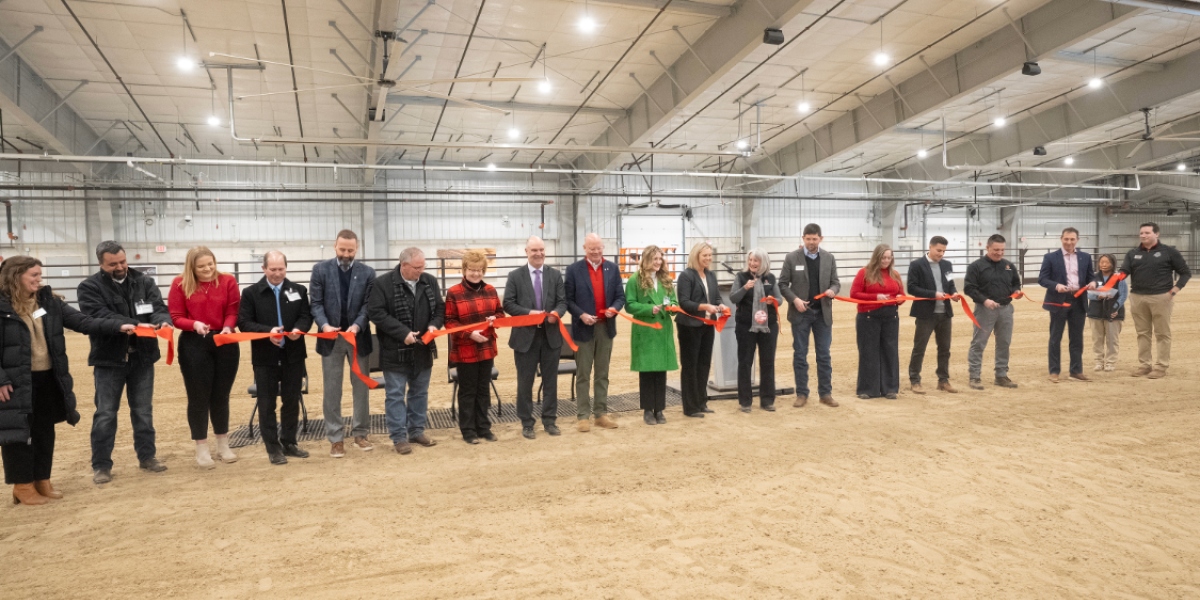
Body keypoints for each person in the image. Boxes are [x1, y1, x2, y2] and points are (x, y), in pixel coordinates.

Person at [0, 257, 135, 505]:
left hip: (48, 377)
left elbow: (84, 322)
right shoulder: (2, 305)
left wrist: (119, 325)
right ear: (16, 276)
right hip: (15, 381)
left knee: (44, 430)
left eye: (40, 275)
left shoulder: (49, 302)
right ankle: (23, 485)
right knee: (19, 434)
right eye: (34, 275)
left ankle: (42, 480)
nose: (39, 279)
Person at [77, 241, 171, 484]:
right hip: (109, 360)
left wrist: (163, 321)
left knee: (143, 411)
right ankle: (101, 465)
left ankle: (147, 457)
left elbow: (158, 308)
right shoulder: (89, 287)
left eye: (123, 261)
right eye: (113, 264)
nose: (120, 267)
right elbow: (98, 315)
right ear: (100, 263)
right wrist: (136, 324)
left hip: (143, 357)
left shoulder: (144, 282)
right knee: (106, 413)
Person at [237, 251, 313, 465]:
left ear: (286, 268)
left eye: (281, 269)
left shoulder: (298, 290)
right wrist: (267, 331)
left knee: (291, 400)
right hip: (265, 356)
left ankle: (289, 442)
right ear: (264, 269)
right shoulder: (251, 293)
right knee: (266, 403)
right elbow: (244, 322)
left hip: (293, 355)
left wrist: (299, 328)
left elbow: (306, 316)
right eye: (273, 270)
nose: (277, 274)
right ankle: (273, 448)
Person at [169, 246, 241, 468]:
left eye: (211, 264)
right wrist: (195, 324)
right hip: (194, 343)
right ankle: (201, 447)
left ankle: (223, 444)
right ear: (192, 267)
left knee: (221, 395)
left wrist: (228, 327)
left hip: (225, 341)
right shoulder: (179, 284)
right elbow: (176, 317)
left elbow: (233, 311)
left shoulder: (228, 281)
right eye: (201, 266)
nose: (208, 269)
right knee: (198, 397)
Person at [367, 247, 443, 455]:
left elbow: (439, 308)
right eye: (417, 268)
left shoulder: (429, 281)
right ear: (404, 265)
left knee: (420, 392)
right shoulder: (383, 284)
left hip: (423, 349)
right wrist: (403, 333)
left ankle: (417, 431)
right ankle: (399, 437)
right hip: (395, 351)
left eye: (423, 267)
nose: (421, 271)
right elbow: (376, 313)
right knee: (395, 395)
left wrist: (433, 326)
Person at [309, 229, 376, 458]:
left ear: (357, 248)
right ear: (334, 246)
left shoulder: (368, 273)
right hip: (331, 338)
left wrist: (357, 326)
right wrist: (325, 325)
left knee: (361, 388)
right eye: (342, 249)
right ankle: (336, 438)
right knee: (332, 390)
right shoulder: (320, 270)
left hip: (358, 338)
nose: (346, 254)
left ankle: (360, 433)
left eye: (350, 250)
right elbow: (316, 303)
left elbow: (368, 305)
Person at [502, 236, 566, 440]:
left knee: (551, 382)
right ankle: (527, 422)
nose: (538, 253)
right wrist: (529, 313)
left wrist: (556, 313)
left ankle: (550, 420)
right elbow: (508, 304)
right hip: (525, 338)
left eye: (541, 249)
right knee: (525, 382)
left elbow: (562, 302)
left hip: (550, 337)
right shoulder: (515, 276)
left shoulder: (555, 275)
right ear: (526, 252)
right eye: (534, 250)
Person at [564, 233, 625, 432]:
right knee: (583, 374)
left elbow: (620, 297)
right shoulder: (574, 270)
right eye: (591, 248)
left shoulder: (613, 269)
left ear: (602, 247)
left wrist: (613, 309)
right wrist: (581, 315)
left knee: (602, 373)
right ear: (585, 248)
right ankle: (583, 416)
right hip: (583, 328)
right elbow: (568, 300)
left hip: (605, 328)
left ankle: (601, 414)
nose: (596, 252)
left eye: (598, 248)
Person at [778, 223, 841, 408]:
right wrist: (795, 300)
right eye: (808, 239)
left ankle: (825, 393)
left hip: (823, 314)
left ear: (821, 238)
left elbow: (836, 282)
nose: (811, 242)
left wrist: (832, 290)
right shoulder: (791, 258)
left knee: (824, 355)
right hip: (801, 314)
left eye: (815, 239)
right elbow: (782, 284)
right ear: (803, 238)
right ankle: (802, 394)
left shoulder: (829, 258)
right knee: (800, 354)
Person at [445, 250, 505, 444]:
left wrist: (494, 319)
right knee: (468, 390)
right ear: (464, 269)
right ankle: (468, 430)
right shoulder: (454, 292)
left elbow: (500, 315)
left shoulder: (491, 290)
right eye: (472, 269)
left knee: (483, 389)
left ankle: (484, 427)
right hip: (465, 349)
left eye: (479, 270)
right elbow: (450, 322)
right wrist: (469, 334)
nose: (476, 274)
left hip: (486, 348)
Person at [1119, 222, 1191, 379]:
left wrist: (1174, 290)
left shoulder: (1169, 252)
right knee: (1142, 333)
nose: (1143, 235)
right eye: (1141, 233)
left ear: (1156, 234)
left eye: (1147, 233)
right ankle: (1144, 365)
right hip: (1137, 297)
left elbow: (1185, 273)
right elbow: (1124, 271)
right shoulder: (1132, 253)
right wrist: (1112, 280)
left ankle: (1161, 366)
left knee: (1162, 333)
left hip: (1161, 297)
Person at [624, 245, 679, 424]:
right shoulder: (635, 280)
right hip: (645, 330)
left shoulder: (666, 280)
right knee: (647, 371)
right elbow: (630, 305)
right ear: (646, 259)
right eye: (654, 259)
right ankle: (648, 410)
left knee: (660, 370)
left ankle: (660, 409)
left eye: (660, 259)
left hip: (662, 329)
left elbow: (673, 300)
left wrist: (672, 306)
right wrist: (650, 308)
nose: (658, 262)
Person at [964, 234, 1022, 390]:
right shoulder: (976, 266)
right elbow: (969, 288)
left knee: (1004, 343)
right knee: (979, 343)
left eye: (1002, 250)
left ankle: (1001, 375)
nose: (999, 252)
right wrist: (985, 300)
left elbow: (1016, 283)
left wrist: (1017, 291)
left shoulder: (1009, 266)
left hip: (1006, 310)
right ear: (987, 248)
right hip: (984, 310)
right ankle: (974, 376)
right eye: (996, 249)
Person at [1038, 228, 1096, 383]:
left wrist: (1093, 282)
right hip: (1059, 301)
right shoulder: (1050, 257)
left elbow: (1091, 276)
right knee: (1055, 337)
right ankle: (1054, 371)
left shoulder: (1085, 257)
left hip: (1079, 301)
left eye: (1072, 239)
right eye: (1066, 239)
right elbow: (1042, 279)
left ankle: (1076, 370)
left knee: (1077, 338)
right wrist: (1056, 285)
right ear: (1061, 238)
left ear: (1077, 239)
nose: (1069, 242)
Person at [729, 248, 782, 413]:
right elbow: (733, 298)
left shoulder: (771, 278)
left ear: (763, 262)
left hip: (768, 326)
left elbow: (779, 300)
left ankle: (767, 400)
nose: (752, 263)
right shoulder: (740, 277)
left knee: (768, 363)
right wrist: (745, 288)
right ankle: (745, 402)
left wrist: (771, 300)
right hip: (746, 326)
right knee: (745, 362)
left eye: (756, 261)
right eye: (751, 260)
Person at [850, 244, 905, 399]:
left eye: (889, 258)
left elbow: (901, 294)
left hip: (891, 317)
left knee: (890, 352)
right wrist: (875, 297)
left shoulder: (895, 274)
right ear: (877, 257)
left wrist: (900, 299)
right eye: (883, 258)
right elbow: (854, 293)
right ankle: (867, 389)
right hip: (868, 317)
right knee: (869, 352)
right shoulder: (864, 273)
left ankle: (889, 388)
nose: (886, 261)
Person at [676, 242, 724, 418]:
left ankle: (701, 402)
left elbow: (716, 297)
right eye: (705, 255)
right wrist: (705, 306)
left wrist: (721, 305)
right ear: (696, 256)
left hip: (707, 325)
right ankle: (690, 407)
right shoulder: (686, 276)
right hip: (689, 326)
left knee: (704, 365)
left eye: (710, 255)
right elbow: (684, 302)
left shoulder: (711, 275)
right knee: (690, 366)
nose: (708, 258)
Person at [906, 236, 958, 394]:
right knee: (919, 348)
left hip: (945, 314)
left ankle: (943, 380)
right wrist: (932, 294)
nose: (941, 253)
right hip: (925, 314)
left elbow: (951, 284)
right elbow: (911, 288)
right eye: (939, 250)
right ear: (930, 247)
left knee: (945, 349)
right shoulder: (916, 265)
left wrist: (954, 293)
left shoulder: (947, 265)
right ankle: (915, 380)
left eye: (943, 251)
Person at [1087, 254, 1127, 372]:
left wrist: (1115, 309)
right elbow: (1089, 294)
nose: (1104, 265)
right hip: (1095, 312)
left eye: (1107, 262)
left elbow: (1123, 295)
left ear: (1112, 264)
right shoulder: (1093, 277)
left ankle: (1110, 362)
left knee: (1112, 339)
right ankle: (1098, 362)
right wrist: (1099, 296)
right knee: (1097, 339)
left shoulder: (1119, 278)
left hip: (1113, 313)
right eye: (1101, 262)